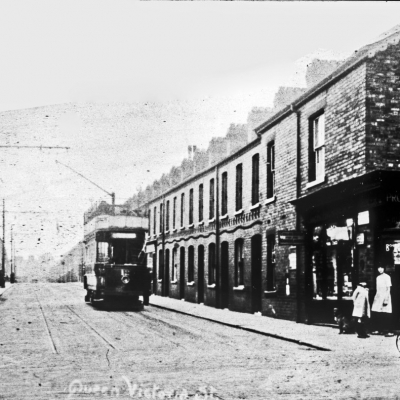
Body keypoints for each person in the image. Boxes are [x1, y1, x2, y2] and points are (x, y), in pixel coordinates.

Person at [371, 266, 393, 337]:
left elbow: (388, 288)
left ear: (384, 268)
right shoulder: (378, 277)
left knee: (387, 313)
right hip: (379, 297)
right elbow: (378, 289)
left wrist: (386, 299)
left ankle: (390, 331)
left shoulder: (387, 277)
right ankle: (379, 330)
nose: (380, 269)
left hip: (385, 296)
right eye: (379, 268)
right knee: (378, 313)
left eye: (382, 268)